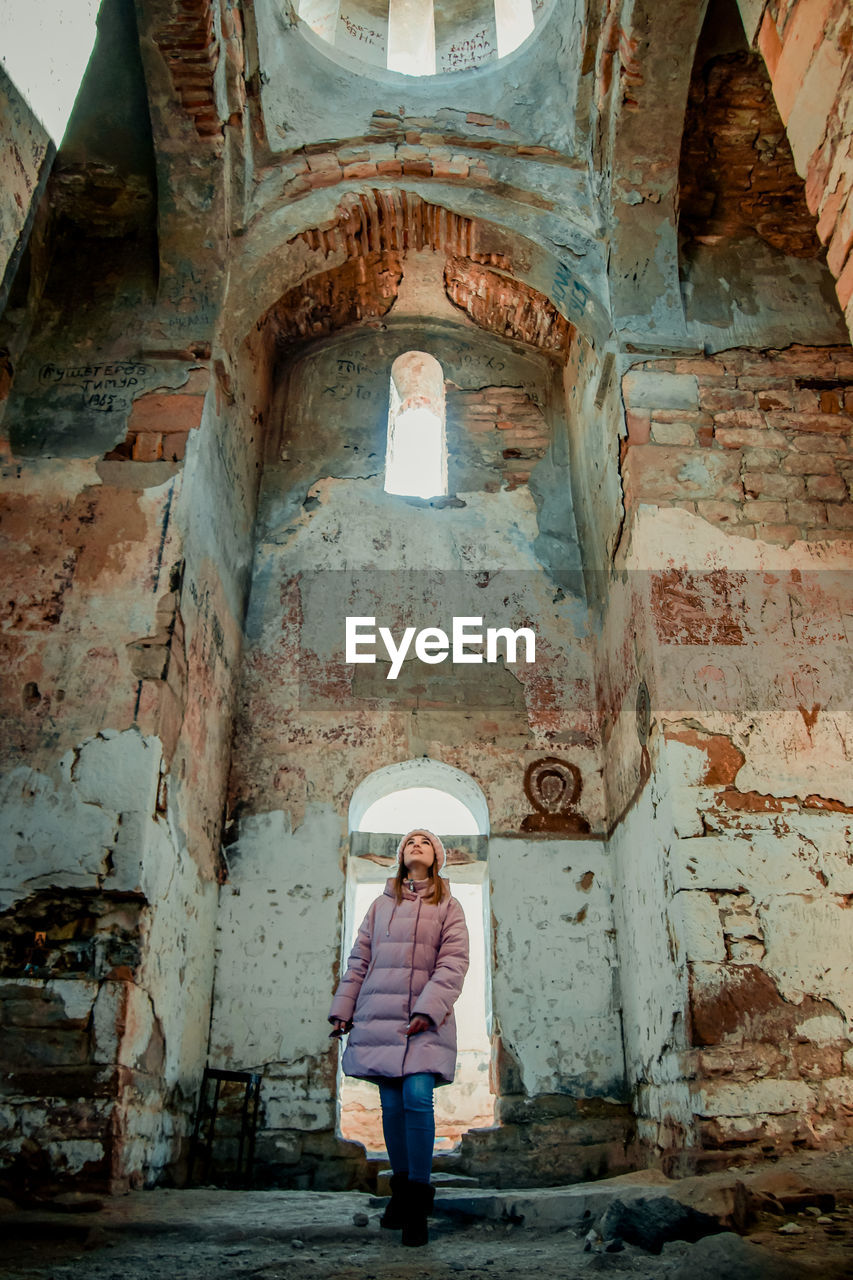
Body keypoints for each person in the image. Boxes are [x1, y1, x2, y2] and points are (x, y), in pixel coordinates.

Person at [329, 828, 469, 1247]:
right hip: (381, 1016)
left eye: (425, 842)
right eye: (410, 842)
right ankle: (402, 1194)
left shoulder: (449, 905)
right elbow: (360, 960)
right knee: (390, 1103)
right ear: (401, 855)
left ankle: (417, 1204)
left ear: (437, 858)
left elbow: (454, 961)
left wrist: (429, 1009)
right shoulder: (379, 905)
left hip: (426, 1018)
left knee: (417, 1097)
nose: (416, 846)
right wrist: (343, 1009)